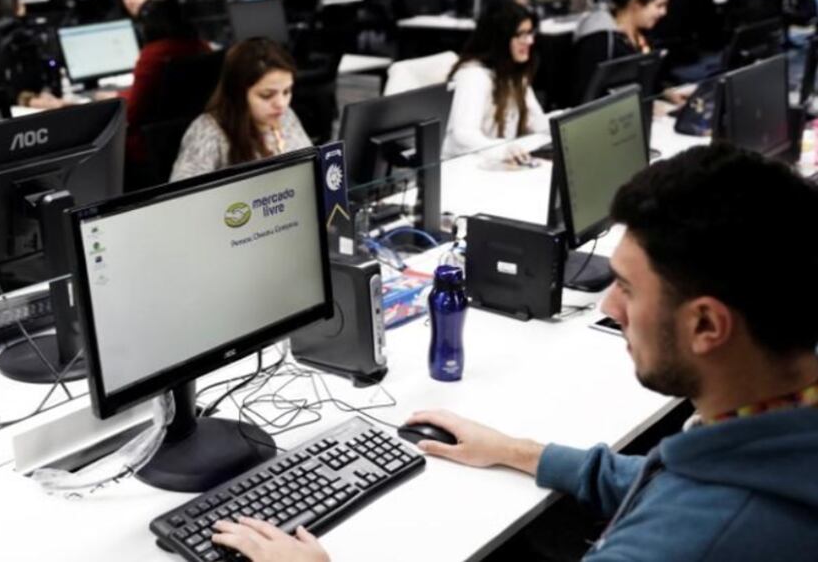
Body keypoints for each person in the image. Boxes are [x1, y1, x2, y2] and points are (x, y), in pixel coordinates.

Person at [211, 143, 818, 561]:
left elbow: (689, 508)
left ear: (708, 325)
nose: (609, 305)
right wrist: (514, 450)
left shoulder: (694, 541)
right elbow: (669, 477)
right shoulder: (779, 423)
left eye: (628, 287)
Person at [92, 0, 212, 180]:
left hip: (150, 146)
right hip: (195, 137)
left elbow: (132, 114)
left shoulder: (153, 54)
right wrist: (121, 93)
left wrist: (113, 98)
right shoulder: (202, 47)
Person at [170, 38, 312, 182]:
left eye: (287, 91)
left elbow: (310, 168)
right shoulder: (208, 130)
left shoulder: (285, 116)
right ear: (238, 93)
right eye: (266, 95)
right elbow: (184, 198)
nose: (281, 104)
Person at [442, 0, 547, 162]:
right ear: (501, 39)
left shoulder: (514, 71)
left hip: (495, 164)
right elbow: (463, 135)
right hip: (464, 168)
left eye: (530, 33)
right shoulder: (473, 75)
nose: (529, 41)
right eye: (521, 34)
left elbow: (535, 121)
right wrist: (504, 149)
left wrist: (565, 121)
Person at [571, 0, 669, 105]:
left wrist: (666, 94)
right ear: (635, 3)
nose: (663, 12)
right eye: (659, 6)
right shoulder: (599, 40)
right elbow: (586, 98)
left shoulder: (641, 34)